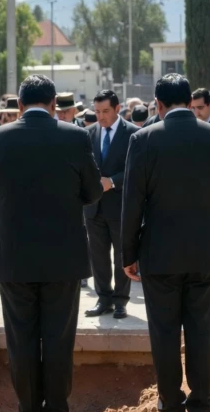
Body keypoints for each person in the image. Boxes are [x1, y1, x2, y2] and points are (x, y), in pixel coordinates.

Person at [0, 75, 102, 412]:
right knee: (60, 337)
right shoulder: (76, 137)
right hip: (63, 256)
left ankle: (28, 405)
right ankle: (58, 404)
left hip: (14, 255)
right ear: (53, 104)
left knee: (21, 338)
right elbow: (92, 192)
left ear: (19, 104)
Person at [121, 74, 210, 411]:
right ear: (190, 102)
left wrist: (129, 253)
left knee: (164, 332)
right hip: (205, 253)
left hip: (159, 254)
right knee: (201, 330)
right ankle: (201, 400)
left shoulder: (143, 139)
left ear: (157, 105)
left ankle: (170, 400)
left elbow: (133, 205)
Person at [83, 90, 139, 320]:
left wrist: (113, 182)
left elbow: (136, 170)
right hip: (93, 207)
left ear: (117, 109)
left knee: (121, 255)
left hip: (121, 206)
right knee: (98, 256)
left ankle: (120, 301)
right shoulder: (88, 134)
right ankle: (103, 298)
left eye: (105, 111)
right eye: (97, 111)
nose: (101, 116)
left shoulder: (133, 134)